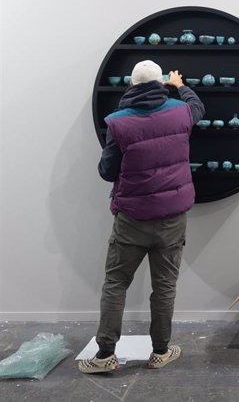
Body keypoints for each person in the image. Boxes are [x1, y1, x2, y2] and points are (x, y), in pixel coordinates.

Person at [78, 60, 205, 374]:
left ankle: (106, 353)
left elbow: (107, 172)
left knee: (116, 284)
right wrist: (178, 84)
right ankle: (160, 351)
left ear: (131, 86)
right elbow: (197, 105)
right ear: (160, 85)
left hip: (132, 219)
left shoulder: (118, 123)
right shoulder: (180, 112)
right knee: (164, 287)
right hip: (173, 218)